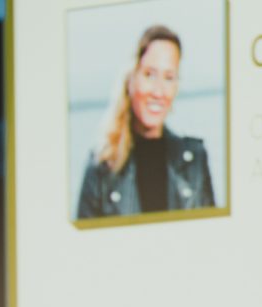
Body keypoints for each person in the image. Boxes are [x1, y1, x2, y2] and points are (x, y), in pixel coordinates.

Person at [77, 25, 215, 219]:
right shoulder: (101, 167)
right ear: (131, 79)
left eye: (169, 77)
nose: (158, 92)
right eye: (149, 74)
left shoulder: (195, 160)